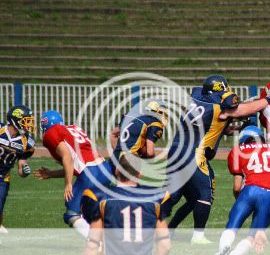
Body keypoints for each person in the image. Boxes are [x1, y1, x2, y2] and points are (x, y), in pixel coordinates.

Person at [166, 75, 270, 244]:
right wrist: (268, 98)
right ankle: (198, 236)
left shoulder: (197, 98)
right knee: (205, 193)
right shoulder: (220, 107)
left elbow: (216, 126)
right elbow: (243, 110)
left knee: (179, 195)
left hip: (176, 151)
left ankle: (163, 228)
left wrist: (237, 126)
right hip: (195, 154)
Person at [211, 126, 270, 255]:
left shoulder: (238, 151)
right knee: (253, 234)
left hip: (250, 191)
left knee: (233, 225)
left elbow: (236, 186)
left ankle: (223, 250)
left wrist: (241, 201)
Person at [36, 110, 112, 239]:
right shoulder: (73, 129)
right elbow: (73, 167)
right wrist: (50, 174)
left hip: (90, 172)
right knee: (92, 211)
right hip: (104, 169)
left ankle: (97, 244)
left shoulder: (51, 133)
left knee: (72, 214)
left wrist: (68, 184)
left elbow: (68, 158)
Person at [0, 105, 35, 239]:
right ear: (16, 120)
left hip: (3, 178)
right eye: (26, 120)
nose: (28, 124)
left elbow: (21, 167)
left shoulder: (26, 141)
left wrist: (25, 171)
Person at [110, 99, 167, 164]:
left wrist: (117, 153)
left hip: (114, 160)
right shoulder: (155, 123)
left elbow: (113, 134)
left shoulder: (130, 116)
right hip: (129, 162)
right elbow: (150, 153)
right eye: (161, 112)